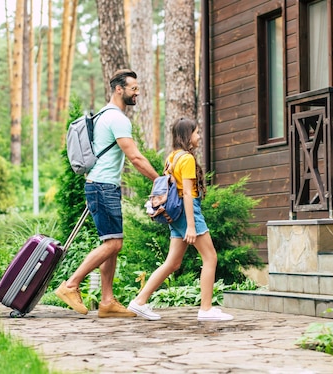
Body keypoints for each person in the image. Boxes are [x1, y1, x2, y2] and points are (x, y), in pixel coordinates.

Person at [55, 69, 160, 317]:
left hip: (101, 185)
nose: (137, 92)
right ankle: (70, 285)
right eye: (133, 88)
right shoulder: (118, 119)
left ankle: (107, 302)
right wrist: (159, 180)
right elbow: (134, 157)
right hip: (103, 187)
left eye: (137, 88)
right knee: (114, 243)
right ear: (119, 89)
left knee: (110, 243)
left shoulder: (103, 114)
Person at [127, 117, 233, 322]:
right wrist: (191, 226)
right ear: (187, 135)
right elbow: (186, 194)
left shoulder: (172, 157)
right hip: (187, 212)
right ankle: (206, 309)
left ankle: (139, 301)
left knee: (173, 263)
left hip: (175, 215)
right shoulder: (187, 159)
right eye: (196, 132)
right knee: (210, 257)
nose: (199, 136)